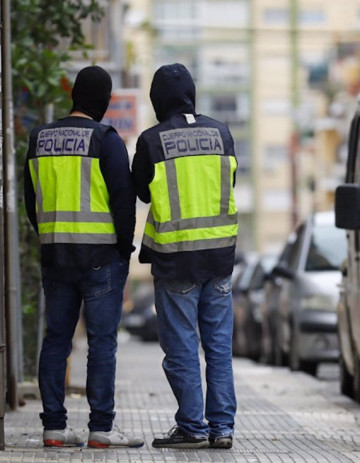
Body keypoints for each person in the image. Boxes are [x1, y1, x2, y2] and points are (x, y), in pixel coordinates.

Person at [23, 65, 143, 449]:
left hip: (56, 255)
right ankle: (101, 428)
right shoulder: (105, 139)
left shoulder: (39, 138)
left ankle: (54, 428)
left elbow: (31, 200)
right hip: (100, 257)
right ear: (104, 101)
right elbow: (123, 203)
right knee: (101, 342)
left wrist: (49, 236)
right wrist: (124, 249)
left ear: (75, 96)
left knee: (56, 340)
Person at [132, 63, 238, 450]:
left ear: (157, 100)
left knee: (181, 348)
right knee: (218, 347)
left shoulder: (152, 140)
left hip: (177, 261)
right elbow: (229, 184)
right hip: (220, 259)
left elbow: (142, 192)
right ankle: (222, 428)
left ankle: (193, 426)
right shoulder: (222, 133)